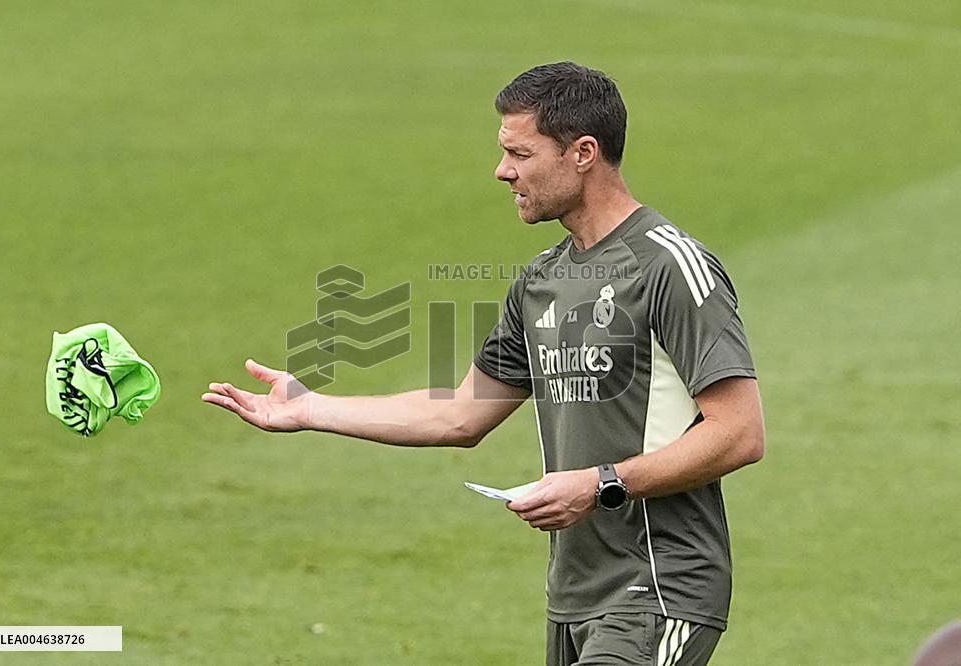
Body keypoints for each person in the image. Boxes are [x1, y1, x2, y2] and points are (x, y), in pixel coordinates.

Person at [202, 61, 765, 666]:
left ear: (582, 153)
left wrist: (602, 484)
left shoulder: (668, 267)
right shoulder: (541, 281)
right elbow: (462, 415)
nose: (503, 171)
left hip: (659, 585)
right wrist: (310, 408)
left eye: (520, 154)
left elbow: (739, 433)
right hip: (576, 594)